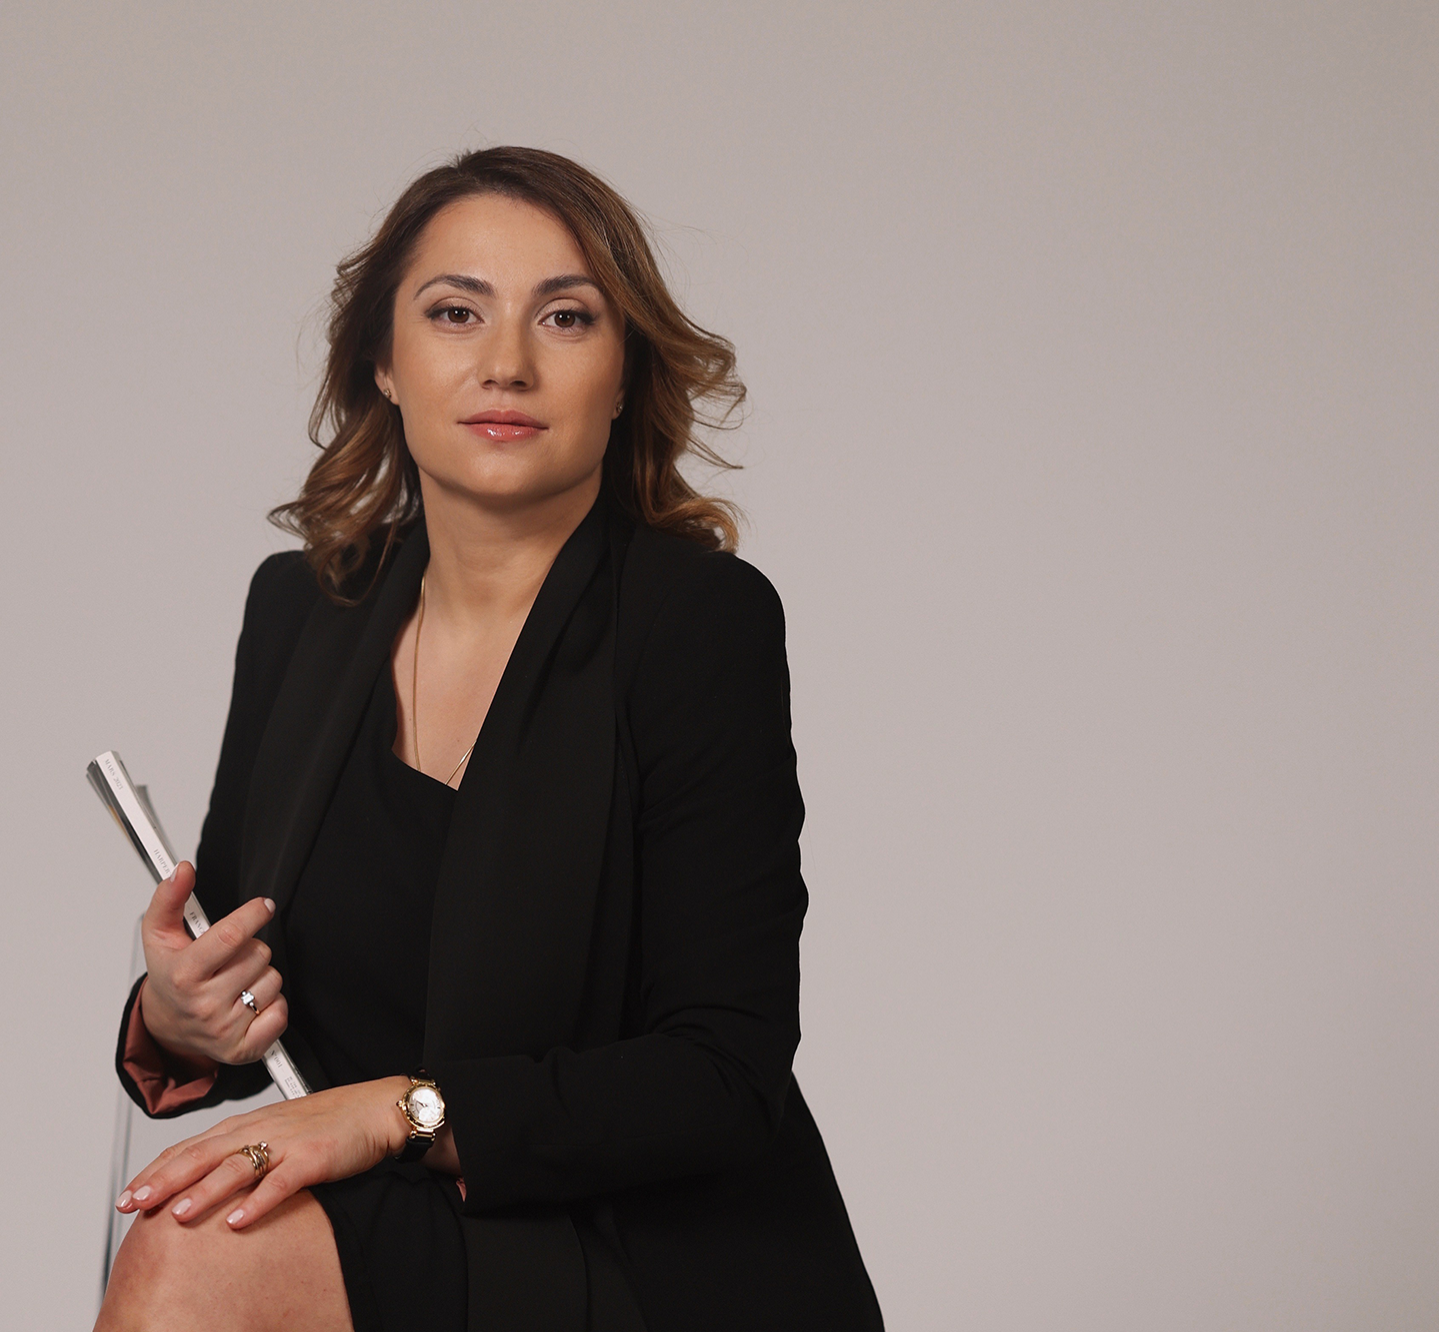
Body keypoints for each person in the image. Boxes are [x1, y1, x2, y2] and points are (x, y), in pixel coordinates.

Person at [95, 146, 881, 1332]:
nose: (505, 362)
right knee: (193, 1234)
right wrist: (179, 1015)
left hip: (634, 1250)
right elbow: (253, 983)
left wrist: (398, 1112)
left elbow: (723, 1075)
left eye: (564, 317)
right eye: (454, 312)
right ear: (384, 360)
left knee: (191, 1257)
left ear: (622, 372)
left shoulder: (696, 622)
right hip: (401, 1225)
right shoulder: (302, 607)